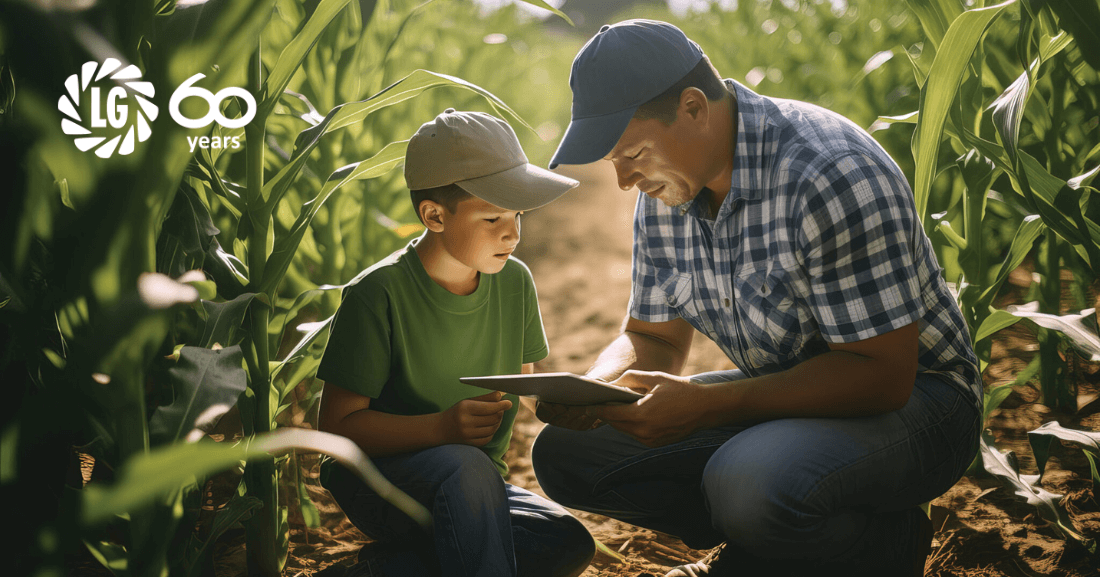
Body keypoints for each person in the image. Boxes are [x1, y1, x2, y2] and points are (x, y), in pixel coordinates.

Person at [531, 19, 982, 577]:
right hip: (788, 399)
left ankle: (870, 550)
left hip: (921, 405)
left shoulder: (828, 172)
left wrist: (707, 406)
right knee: (567, 456)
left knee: (746, 482)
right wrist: (598, 388)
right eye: (613, 162)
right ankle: (807, 543)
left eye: (634, 153)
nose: (624, 181)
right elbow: (652, 337)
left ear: (694, 107)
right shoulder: (666, 196)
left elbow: (883, 376)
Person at [316, 109, 595, 577]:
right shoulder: (377, 293)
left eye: (517, 215)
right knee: (465, 468)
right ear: (434, 215)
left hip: (479, 486)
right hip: (384, 482)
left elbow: (522, 387)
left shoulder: (514, 282)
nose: (512, 232)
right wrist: (441, 428)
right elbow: (337, 427)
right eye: (492, 218)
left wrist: (572, 404)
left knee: (564, 543)